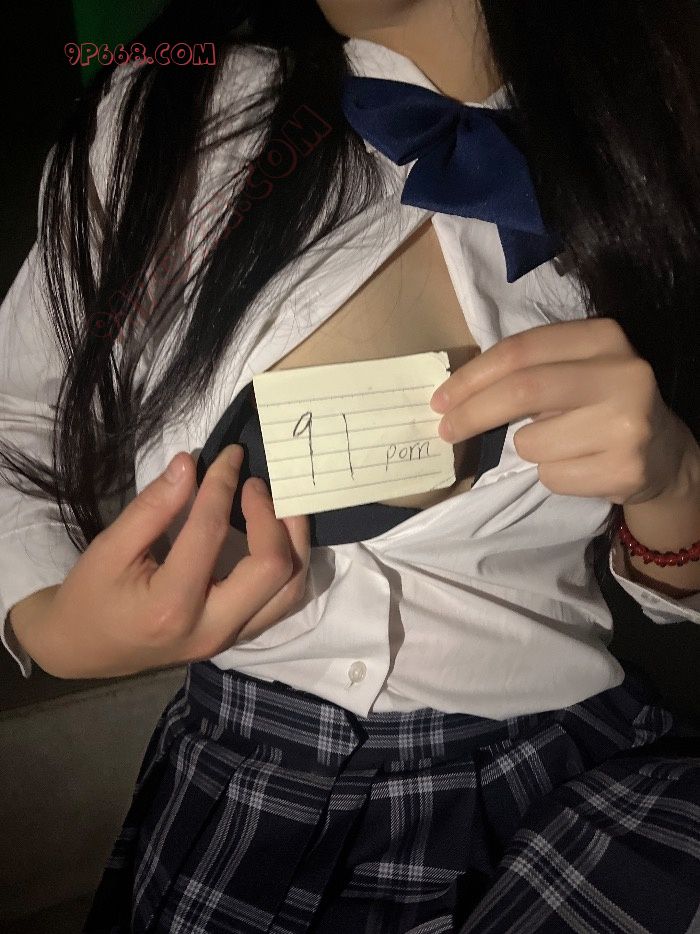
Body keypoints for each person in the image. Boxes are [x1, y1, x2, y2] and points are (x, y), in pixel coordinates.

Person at [1, 0, 699, 930]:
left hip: (569, 780)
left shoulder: (650, 159)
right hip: (242, 786)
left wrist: (675, 480)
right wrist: (49, 621)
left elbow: (677, 588)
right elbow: (19, 413)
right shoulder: (173, 108)